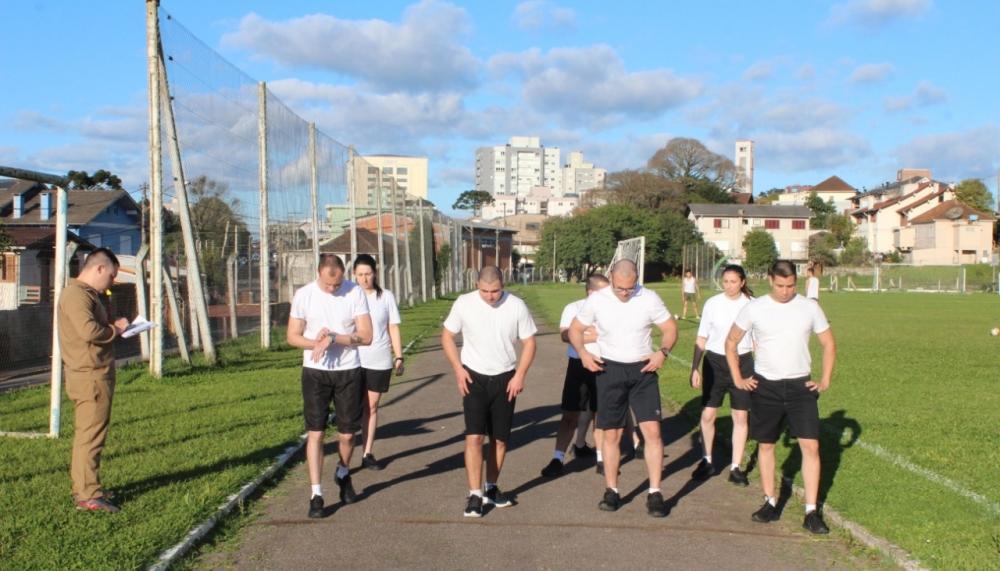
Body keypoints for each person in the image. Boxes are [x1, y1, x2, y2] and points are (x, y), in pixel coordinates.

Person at [725, 260, 836, 535]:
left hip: (801, 388)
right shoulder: (755, 307)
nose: (785, 291)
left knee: (810, 447)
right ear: (769, 280)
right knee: (766, 445)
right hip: (766, 387)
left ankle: (811, 511)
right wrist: (738, 378)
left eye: (790, 286)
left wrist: (825, 379)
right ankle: (770, 502)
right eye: (779, 286)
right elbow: (731, 342)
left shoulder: (810, 307)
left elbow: (829, 343)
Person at [569, 260, 678, 517]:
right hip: (610, 370)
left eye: (630, 288)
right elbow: (575, 329)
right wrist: (583, 353)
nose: (625, 293)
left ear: (637, 279)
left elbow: (670, 329)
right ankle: (612, 490)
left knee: (652, 432)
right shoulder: (597, 300)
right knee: (612, 435)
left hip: (643, 369)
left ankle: (655, 492)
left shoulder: (649, 298)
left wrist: (662, 352)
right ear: (611, 279)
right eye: (620, 288)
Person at [441, 266, 537, 518]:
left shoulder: (516, 305)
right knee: (474, 437)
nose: (490, 296)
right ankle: (474, 494)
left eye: (495, 291)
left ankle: (491, 488)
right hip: (473, 376)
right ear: (476, 285)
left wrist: (519, 375)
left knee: (500, 439)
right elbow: (447, 336)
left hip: (505, 378)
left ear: (503, 285)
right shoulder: (464, 303)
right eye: (484, 291)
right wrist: (458, 369)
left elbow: (529, 343)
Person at [287, 254, 373, 519]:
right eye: (328, 285)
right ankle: (316, 494)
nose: (333, 289)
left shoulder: (355, 292)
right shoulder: (304, 295)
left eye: (337, 284)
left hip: (348, 370)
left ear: (342, 275)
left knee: (347, 435)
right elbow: (292, 336)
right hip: (315, 372)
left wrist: (336, 337)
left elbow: (367, 336)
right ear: (318, 274)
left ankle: (343, 471)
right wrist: (317, 343)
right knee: (316, 433)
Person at [58, 247, 130, 513]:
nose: (111, 282)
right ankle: (88, 494)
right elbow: (88, 331)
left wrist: (113, 325)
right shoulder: (76, 294)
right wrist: (116, 329)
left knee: (92, 434)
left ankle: (88, 487)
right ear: (99, 268)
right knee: (90, 436)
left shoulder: (88, 295)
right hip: (88, 375)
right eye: (111, 276)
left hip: (94, 372)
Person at [689, 264, 754, 486]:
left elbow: (757, 341)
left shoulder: (752, 306)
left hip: (742, 362)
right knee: (708, 415)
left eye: (733, 281)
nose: (729, 286)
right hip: (715, 363)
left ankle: (735, 467)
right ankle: (707, 460)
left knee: (740, 417)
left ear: (742, 282)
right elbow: (701, 338)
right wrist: (694, 368)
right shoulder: (713, 304)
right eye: (725, 281)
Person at [540, 274, 609, 478]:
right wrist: (594, 335)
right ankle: (557, 458)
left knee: (601, 414)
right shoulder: (573, 308)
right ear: (591, 291)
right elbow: (565, 335)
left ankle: (601, 458)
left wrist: (581, 335)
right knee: (570, 414)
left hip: (606, 364)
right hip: (578, 365)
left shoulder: (613, 309)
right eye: (605, 291)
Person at [353, 254, 404, 471]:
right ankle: (345, 454)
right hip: (352, 360)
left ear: (375, 273)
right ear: (354, 275)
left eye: (368, 274)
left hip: (379, 359)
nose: (364, 279)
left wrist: (399, 355)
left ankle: (367, 452)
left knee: (371, 406)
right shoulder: (349, 297)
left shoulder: (386, 297)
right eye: (360, 275)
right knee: (353, 408)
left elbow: (393, 327)